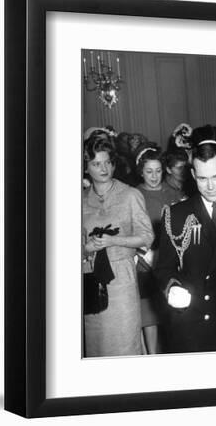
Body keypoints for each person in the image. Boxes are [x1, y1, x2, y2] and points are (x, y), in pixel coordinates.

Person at [154, 140, 216, 353]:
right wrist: (173, 288)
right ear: (193, 176)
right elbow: (164, 269)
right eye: (202, 178)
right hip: (192, 325)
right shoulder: (176, 215)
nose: (210, 186)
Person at [82, 133, 154, 357]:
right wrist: (86, 248)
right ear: (86, 167)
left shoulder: (131, 195)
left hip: (122, 278)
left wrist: (114, 240)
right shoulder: (79, 200)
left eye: (107, 162)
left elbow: (146, 237)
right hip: (91, 279)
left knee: (125, 344)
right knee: (96, 346)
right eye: (96, 164)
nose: (103, 168)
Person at [135, 145, 185, 354]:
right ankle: (152, 357)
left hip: (171, 261)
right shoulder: (135, 195)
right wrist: (141, 254)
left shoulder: (174, 193)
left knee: (171, 310)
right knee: (149, 316)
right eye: (149, 171)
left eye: (158, 171)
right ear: (141, 171)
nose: (154, 176)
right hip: (145, 261)